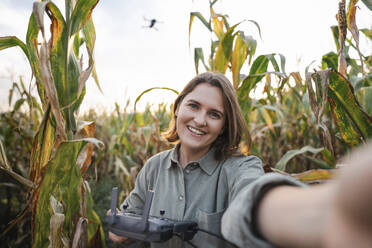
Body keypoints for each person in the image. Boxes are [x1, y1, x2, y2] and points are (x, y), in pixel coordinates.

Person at [109, 72, 372, 247]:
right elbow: (127, 219)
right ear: (178, 107)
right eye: (193, 106)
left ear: (224, 126)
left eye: (214, 114)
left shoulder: (240, 168)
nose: (200, 120)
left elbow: (254, 200)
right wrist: (120, 226)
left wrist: (332, 211)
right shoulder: (154, 167)